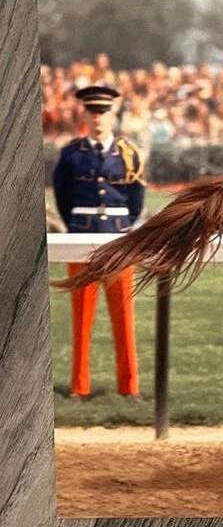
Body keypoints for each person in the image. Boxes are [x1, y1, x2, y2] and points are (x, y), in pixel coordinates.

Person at [52, 85, 147, 402]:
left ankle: (129, 387)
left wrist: (123, 227)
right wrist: (77, 226)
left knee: (124, 315)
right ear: (85, 115)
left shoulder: (128, 153)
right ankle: (79, 387)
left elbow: (136, 200)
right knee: (81, 315)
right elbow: (63, 198)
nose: (98, 118)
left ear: (112, 114)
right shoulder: (71, 154)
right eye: (92, 112)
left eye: (103, 112)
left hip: (118, 239)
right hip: (81, 238)